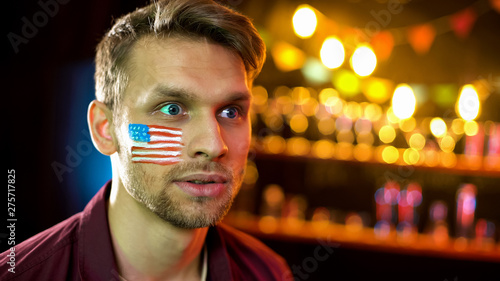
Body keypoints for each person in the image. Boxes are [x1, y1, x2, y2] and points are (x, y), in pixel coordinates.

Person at [1, 0, 292, 280]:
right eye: (172, 109)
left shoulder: (268, 273)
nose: (215, 146)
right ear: (105, 128)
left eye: (231, 111)